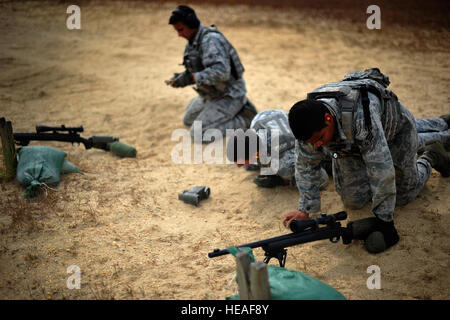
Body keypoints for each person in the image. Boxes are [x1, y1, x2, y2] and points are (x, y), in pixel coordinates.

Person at [283, 68, 450, 254]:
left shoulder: (361, 120)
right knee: (353, 200)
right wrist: (305, 209)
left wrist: (383, 219)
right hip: (350, 145)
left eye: (320, 137)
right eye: (313, 142)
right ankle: (440, 124)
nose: (319, 144)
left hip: (395, 131)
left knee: (403, 195)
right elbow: (305, 165)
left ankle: (431, 155)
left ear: (328, 118)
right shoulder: (309, 128)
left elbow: (381, 169)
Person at [166, 5, 257, 140]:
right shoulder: (193, 42)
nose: (179, 34)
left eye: (180, 29)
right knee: (188, 120)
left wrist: (191, 78)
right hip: (211, 93)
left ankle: (245, 119)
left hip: (229, 94)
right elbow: (195, 69)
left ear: (191, 24)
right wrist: (182, 77)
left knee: (198, 134)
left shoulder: (211, 40)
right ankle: (238, 109)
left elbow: (221, 72)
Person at [226, 109, 331, 189]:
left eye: (241, 161)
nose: (239, 166)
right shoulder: (256, 124)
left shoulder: (283, 165)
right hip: (279, 119)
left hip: (324, 150)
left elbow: (322, 180)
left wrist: (283, 181)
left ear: (255, 153)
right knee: (253, 167)